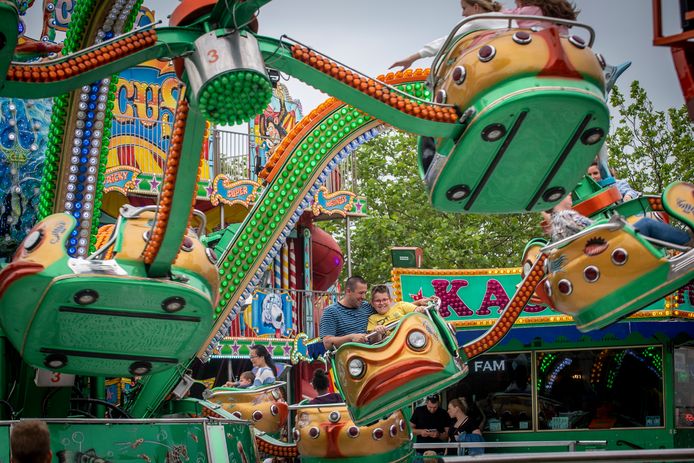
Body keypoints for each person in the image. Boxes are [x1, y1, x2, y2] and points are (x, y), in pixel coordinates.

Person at [390, 0, 578, 71]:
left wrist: (412, 58)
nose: (463, 14)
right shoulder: (548, 15)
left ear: (476, 7)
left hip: (530, 61)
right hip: (568, 58)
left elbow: (447, 40)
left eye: (465, 8)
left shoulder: (483, 19)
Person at [543, 194, 692, 246]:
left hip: (596, 246)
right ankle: (688, 241)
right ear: (556, 199)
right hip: (606, 246)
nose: (570, 194)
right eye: (566, 193)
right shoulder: (565, 216)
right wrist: (614, 223)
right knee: (646, 224)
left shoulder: (557, 222)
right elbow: (591, 229)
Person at [319, 276, 385, 349]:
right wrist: (351, 338)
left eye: (365, 293)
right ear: (348, 291)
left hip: (372, 353)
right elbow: (327, 343)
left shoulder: (367, 307)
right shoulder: (331, 311)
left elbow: (387, 312)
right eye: (361, 293)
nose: (364, 297)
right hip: (349, 356)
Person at [367, 285, 432, 332]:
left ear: (390, 300)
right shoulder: (372, 318)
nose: (381, 303)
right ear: (372, 303)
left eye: (384, 299)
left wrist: (419, 309)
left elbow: (415, 310)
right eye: (378, 301)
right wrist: (377, 331)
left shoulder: (400, 306)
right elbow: (374, 341)